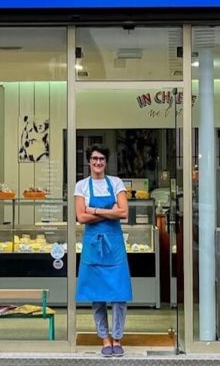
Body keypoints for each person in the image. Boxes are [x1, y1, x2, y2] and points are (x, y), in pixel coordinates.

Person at [75, 144, 132, 357]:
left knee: (119, 295)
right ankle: (105, 339)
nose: (98, 162)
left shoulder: (116, 183)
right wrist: (110, 212)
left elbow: (124, 212)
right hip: (92, 246)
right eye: (94, 158)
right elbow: (80, 217)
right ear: (89, 161)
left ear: (105, 162)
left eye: (101, 159)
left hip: (114, 246)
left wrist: (95, 210)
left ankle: (118, 337)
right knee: (96, 295)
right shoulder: (80, 186)